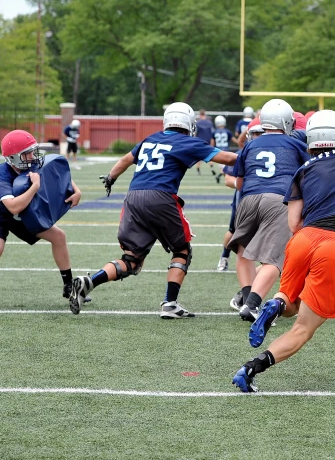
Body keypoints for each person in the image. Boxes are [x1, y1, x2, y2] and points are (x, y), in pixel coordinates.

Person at [232, 110, 335, 392]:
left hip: (303, 240)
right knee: (304, 328)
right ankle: (251, 368)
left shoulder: (303, 171)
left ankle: (274, 304)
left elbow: (293, 223)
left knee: (290, 305)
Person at [69, 103, 237, 317]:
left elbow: (125, 160)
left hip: (133, 197)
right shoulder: (188, 142)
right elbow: (229, 158)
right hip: (161, 196)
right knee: (182, 250)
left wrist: (111, 178)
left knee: (131, 259)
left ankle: (89, 282)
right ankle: (170, 304)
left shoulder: (149, 139)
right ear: (188, 123)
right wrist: (256, 156)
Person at [0, 130, 82, 311]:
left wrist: (76, 191)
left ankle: (69, 287)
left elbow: (58, 175)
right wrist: (36, 187)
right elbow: (13, 207)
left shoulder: (29, 164)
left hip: (21, 213)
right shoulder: (0, 175)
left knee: (59, 237)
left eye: (33, 150)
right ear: (13, 157)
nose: (32, 156)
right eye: (26, 153)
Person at [230, 99, 311, 322]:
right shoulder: (295, 144)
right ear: (286, 122)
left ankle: (247, 301)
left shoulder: (250, 145)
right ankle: (253, 305)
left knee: (243, 252)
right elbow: (309, 174)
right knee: (274, 259)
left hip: (248, 198)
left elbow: (238, 182)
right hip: (278, 199)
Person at [225, 124, 266, 311]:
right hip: (247, 204)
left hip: (257, 203)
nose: (257, 136)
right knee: (240, 244)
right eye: (254, 133)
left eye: (260, 133)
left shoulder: (248, 150)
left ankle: (247, 296)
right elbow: (231, 179)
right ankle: (223, 258)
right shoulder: (246, 150)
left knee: (272, 257)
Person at [194, 110, 215, 176]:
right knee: (210, 156)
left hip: (199, 142)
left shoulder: (197, 123)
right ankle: (211, 168)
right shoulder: (209, 123)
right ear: (205, 115)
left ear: (200, 115)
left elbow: (195, 133)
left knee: (198, 157)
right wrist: (212, 142)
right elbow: (212, 134)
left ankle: (198, 170)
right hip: (208, 141)